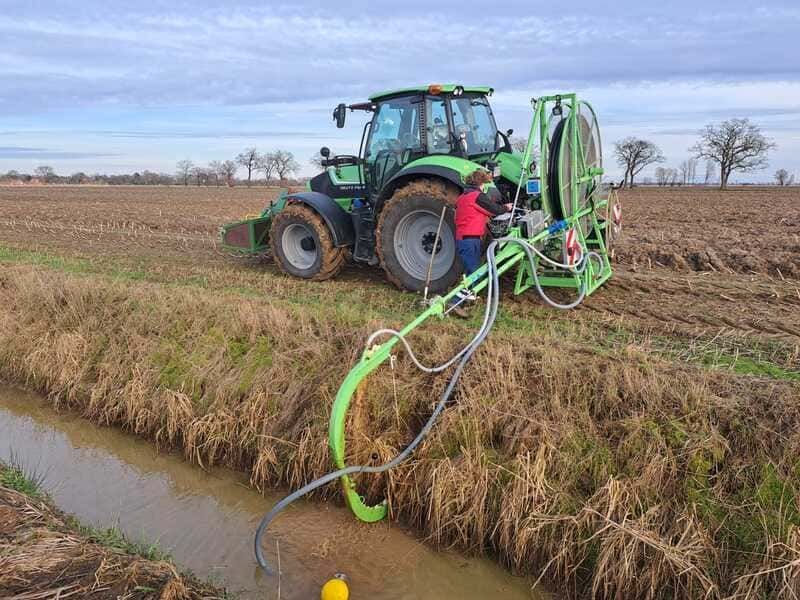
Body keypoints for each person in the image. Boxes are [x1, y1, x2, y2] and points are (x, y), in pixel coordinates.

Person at [450, 168, 511, 317]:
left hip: (465, 238)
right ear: (481, 183)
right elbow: (494, 210)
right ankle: (454, 301)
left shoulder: (462, 197)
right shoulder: (477, 196)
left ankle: (468, 298)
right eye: (485, 185)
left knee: (471, 271)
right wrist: (506, 208)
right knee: (474, 273)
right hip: (470, 239)